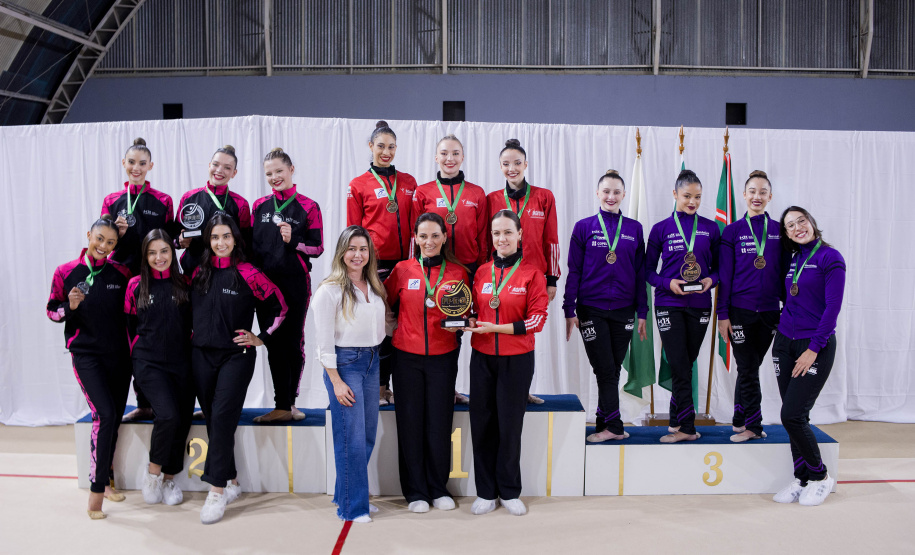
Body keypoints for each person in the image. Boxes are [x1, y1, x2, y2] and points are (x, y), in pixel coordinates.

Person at [190, 214, 287, 524]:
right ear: (209, 240)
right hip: (201, 356)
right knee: (213, 419)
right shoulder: (197, 272)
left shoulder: (248, 273)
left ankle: (216, 492)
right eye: (215, 237)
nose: (221, 242)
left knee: (221, 416)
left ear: (235, 240)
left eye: (226, 237)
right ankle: (231, 480)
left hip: (236, 356)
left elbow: (281, 308)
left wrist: (262, 337)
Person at [46, 215, 132, 519]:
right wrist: (68, 307)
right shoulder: (66, 272)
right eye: (99, 239)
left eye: (110, 243)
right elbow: (51, 312)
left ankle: (107, 479)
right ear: (89, 235)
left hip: (120, 358)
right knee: (104, 415)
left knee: (114, 418)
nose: (103, 246)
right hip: (86, 356)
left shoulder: (121, 273)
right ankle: (96, 491)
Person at [465, 210, 549, 516]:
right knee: (483, 425)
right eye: (496, 233)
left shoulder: (532, 273)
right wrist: (471, 320)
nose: (502, 239)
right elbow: (474, 309)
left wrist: (495, 328)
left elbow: (537, 320)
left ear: (519, 235)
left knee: (510, 427)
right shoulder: (482, 272)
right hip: (483, 358)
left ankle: (510, 491)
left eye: (508, 233)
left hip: (517, 360)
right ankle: (486, 492)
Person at [385, 213, 469, 513]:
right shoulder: (402, 269)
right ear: (415, 239)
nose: (429, 241)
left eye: (435, 236)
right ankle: (416, 491)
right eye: (423, 236)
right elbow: (385, 304)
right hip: (405, 357)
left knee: (438, 424)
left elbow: (466, 313)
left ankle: (437, 487)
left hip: (443, 357)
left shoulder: (458, 273)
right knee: (410, 423)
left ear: (445, 237)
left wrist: (461, 324)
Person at [310, 226, 389, 523]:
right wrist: (336, 380)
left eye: (363, 249)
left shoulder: (374, 286)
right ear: (342, 252)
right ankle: (353, 508)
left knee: (366, 435)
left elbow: (378, 327)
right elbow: (323, 342)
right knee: (351, 439)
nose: (358, 255)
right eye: (352, 249)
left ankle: (345, 495)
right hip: (344, 364)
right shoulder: (329, 290)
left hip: (371, 360)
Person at [563, 170, 647, 442]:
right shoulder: (583, 227)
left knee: (612, 369)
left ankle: (604, 421)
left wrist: (642, 312)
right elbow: (573, 270)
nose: (611, 197)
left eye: (616, 192)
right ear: (598, 194)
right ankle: (614, 426)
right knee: (604, 368)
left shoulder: (634, 229)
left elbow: (640, 273)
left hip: (624, 310)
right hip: (591, 309)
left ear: (623, 195)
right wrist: (569, 309)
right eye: (606, 192)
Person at [771, 207, 845, 506]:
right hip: (785, 343)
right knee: (794, 417)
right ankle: (801, 478)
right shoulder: (794, 259)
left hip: (814, 345)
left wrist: (813, 349)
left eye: (801, 221)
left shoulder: (831, 257)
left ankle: (820, 475)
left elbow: (832, 309)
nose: (798, 227)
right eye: (790, 225)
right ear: (787, 234)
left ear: (812, 223)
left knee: (792, 415)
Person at [101, 137, 175, 422]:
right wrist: (115, 236)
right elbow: (102, 245)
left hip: (151, 279)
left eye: (142, 163)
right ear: (124, 164)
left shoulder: (163, 200)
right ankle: (138, 402)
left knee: (153, 336)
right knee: (126, 339)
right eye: (131, 162)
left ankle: (157, 400)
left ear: (150, 166)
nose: (136, 168)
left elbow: (169, 243)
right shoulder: (111, 201)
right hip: (119, 279)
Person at [411, 133, 488, 405]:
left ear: (463, 157)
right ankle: (433, 385)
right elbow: (415, 236)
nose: (450, 158)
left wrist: (480, 275)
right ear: (436, 158)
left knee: (457, 329)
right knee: (433, 326)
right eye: (444, 153)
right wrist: (416, 269)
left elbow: (483, 238)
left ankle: (450, 387)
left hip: (465, 271)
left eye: (455, 153)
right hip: (432, 270)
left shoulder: (477, 193)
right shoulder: (423, 192)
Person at [646, 169, 720, 444]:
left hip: (700, 304)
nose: (692, 202)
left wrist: (711, 280)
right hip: (668, 303)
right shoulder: (660, 229)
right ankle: (688, 428)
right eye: (687, 196)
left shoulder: (711, 228)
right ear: (675, 194)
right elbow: (647, 271)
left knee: (686, 363)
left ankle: (677, 418)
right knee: (678, 363)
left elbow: (722, 268)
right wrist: (667, 284)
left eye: (698, 197)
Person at [346, 120, 417, 406]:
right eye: (380, 146)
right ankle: (378, 385)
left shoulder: (409, 182)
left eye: (390, 147)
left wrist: (416, 262)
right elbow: (353, 230)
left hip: (407, 264)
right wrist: (358, 268)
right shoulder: (358, 184)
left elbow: (416, 225)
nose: (385, 152)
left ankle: (400, 384)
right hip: (374, 266)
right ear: (370, 147)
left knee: (403, 325)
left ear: (396, 149)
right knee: (379, 327)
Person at [251, 147, 324, 423]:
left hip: (295, 283)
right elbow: (251, 247)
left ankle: (288, 404)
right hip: (264, 287)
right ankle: (281, 404)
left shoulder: (308, 206)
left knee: (292, 342)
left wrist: (294, 240)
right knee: (272, 343)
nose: (274, 177)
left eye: (279, 171)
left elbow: (317, 248)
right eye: (269, 173)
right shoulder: (259, 206)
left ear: (291, 170)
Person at [486, 139, 559, 405]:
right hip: (501, 278)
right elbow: (488, 241)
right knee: (500, 330)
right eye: (506, 164)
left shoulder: (543, 196)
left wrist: (551, 278)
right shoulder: (492, 199)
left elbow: (551, 239)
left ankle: (522, 388)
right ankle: (500, 387)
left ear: (526, 164)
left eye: (517, 163)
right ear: (500, 166)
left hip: (535, 278)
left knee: (527, 333)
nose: (512, 168)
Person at [124, 229, 194, 506]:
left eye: (164, 251)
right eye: (152, 252)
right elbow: (129, 328)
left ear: (172, 252)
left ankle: (169, 479)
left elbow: (192, 323)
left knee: (182, 419)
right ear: (145, 256)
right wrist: (136, 357)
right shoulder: (135, 286)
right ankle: (153, 473)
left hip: (182, 363)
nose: (159, 257)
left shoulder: (184, 283)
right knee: (167, 415)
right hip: (149, 363)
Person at [717, 170, 785, 442]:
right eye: (752, 192)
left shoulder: (781, 231)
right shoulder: (732, 232)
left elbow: (785, 274)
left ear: (770, 197)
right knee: (746, 367)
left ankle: (738, 417)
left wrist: (788, 310)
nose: (757, 197)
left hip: (770, 313)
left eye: (763, 192)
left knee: (751, 365)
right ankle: (753, 427)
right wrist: (722, 314)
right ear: (744, 195)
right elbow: (724, 275)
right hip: (740, 312)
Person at [176, 145, 251, 275]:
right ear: (209, 165)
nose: (219, 170)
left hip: (227, 273)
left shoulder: (240, 204)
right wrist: (180, 241)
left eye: (227, 167)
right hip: (193, 271)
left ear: (234, 173)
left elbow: (245, 243)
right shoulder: (189, 198)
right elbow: (174, 236)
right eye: (216, 164)